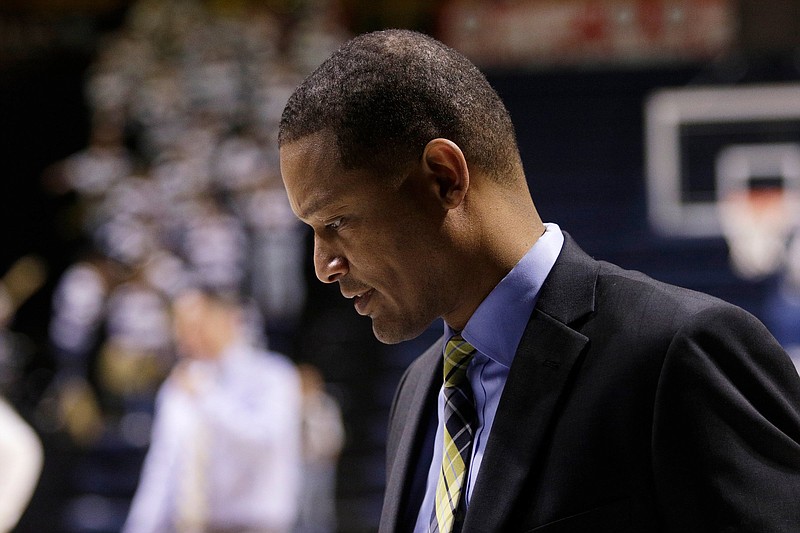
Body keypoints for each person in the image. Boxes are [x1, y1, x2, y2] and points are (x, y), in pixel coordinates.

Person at [277, 29, 800, 532]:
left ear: (444, 177)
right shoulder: (417, 390)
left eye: (336, 222)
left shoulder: (681, 354)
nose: (325, 266)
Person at [123, 287, 302, 533]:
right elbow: (162, 466)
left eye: (195, 324)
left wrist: (207, 397)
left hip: (258, 524)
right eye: (180, 326)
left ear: (228, 319)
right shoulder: (180, 384)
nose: (185, 336)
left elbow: (264, 443)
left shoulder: (273, 376)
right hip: (194, 524)